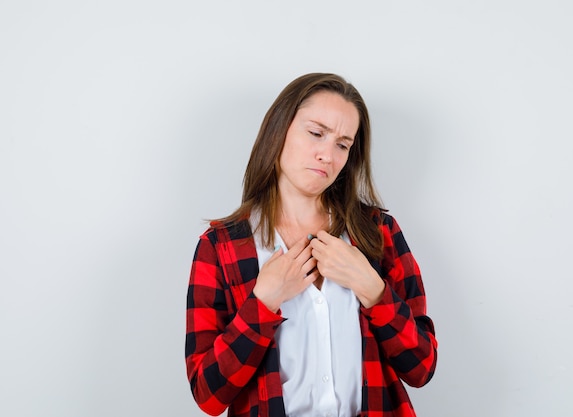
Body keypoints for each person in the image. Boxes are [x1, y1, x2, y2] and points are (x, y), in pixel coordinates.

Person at [185, 73, 437, 417]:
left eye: (343, 144)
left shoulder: (378, 233)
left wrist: (373, 289)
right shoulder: (221, 247)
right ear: (280, 129)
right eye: (316, 133)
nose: (328, 155)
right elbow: (208, 396)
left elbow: (422, 367)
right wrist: (263, 302)